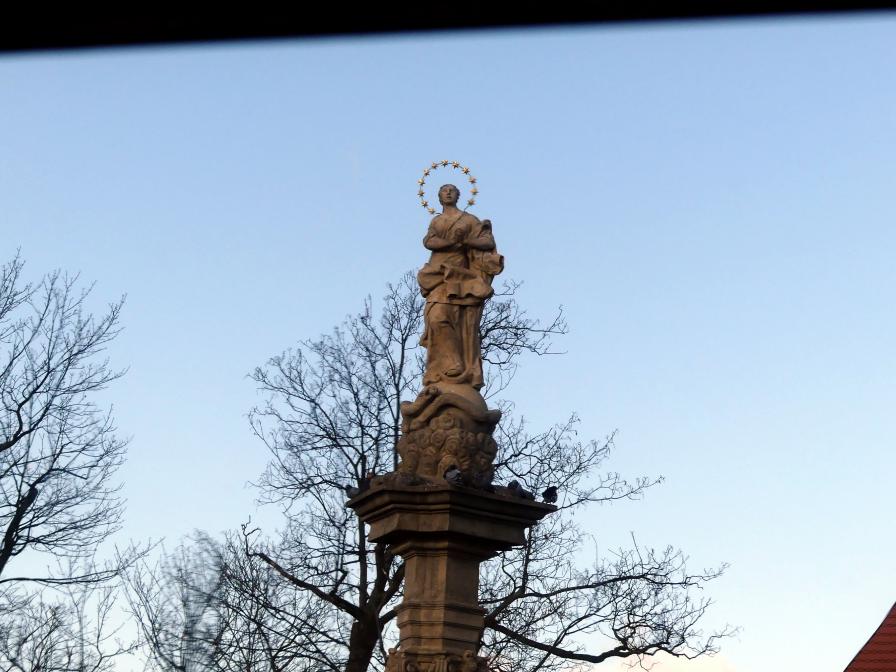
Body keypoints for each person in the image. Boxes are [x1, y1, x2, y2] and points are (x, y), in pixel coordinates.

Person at [417, 184, 503, 390]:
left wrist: (466, 241)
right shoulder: (437, 221)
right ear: (438, 198)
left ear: (458, 196)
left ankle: (458, 365)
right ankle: (444, 364)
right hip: (437, 275)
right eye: (443, 190)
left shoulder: (469, 220)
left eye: (452, 190)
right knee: (436, 317)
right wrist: (451, 243)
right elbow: (429, 241)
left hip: (460, 277)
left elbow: (487, 241)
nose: (447, 192)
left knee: (462, 323)